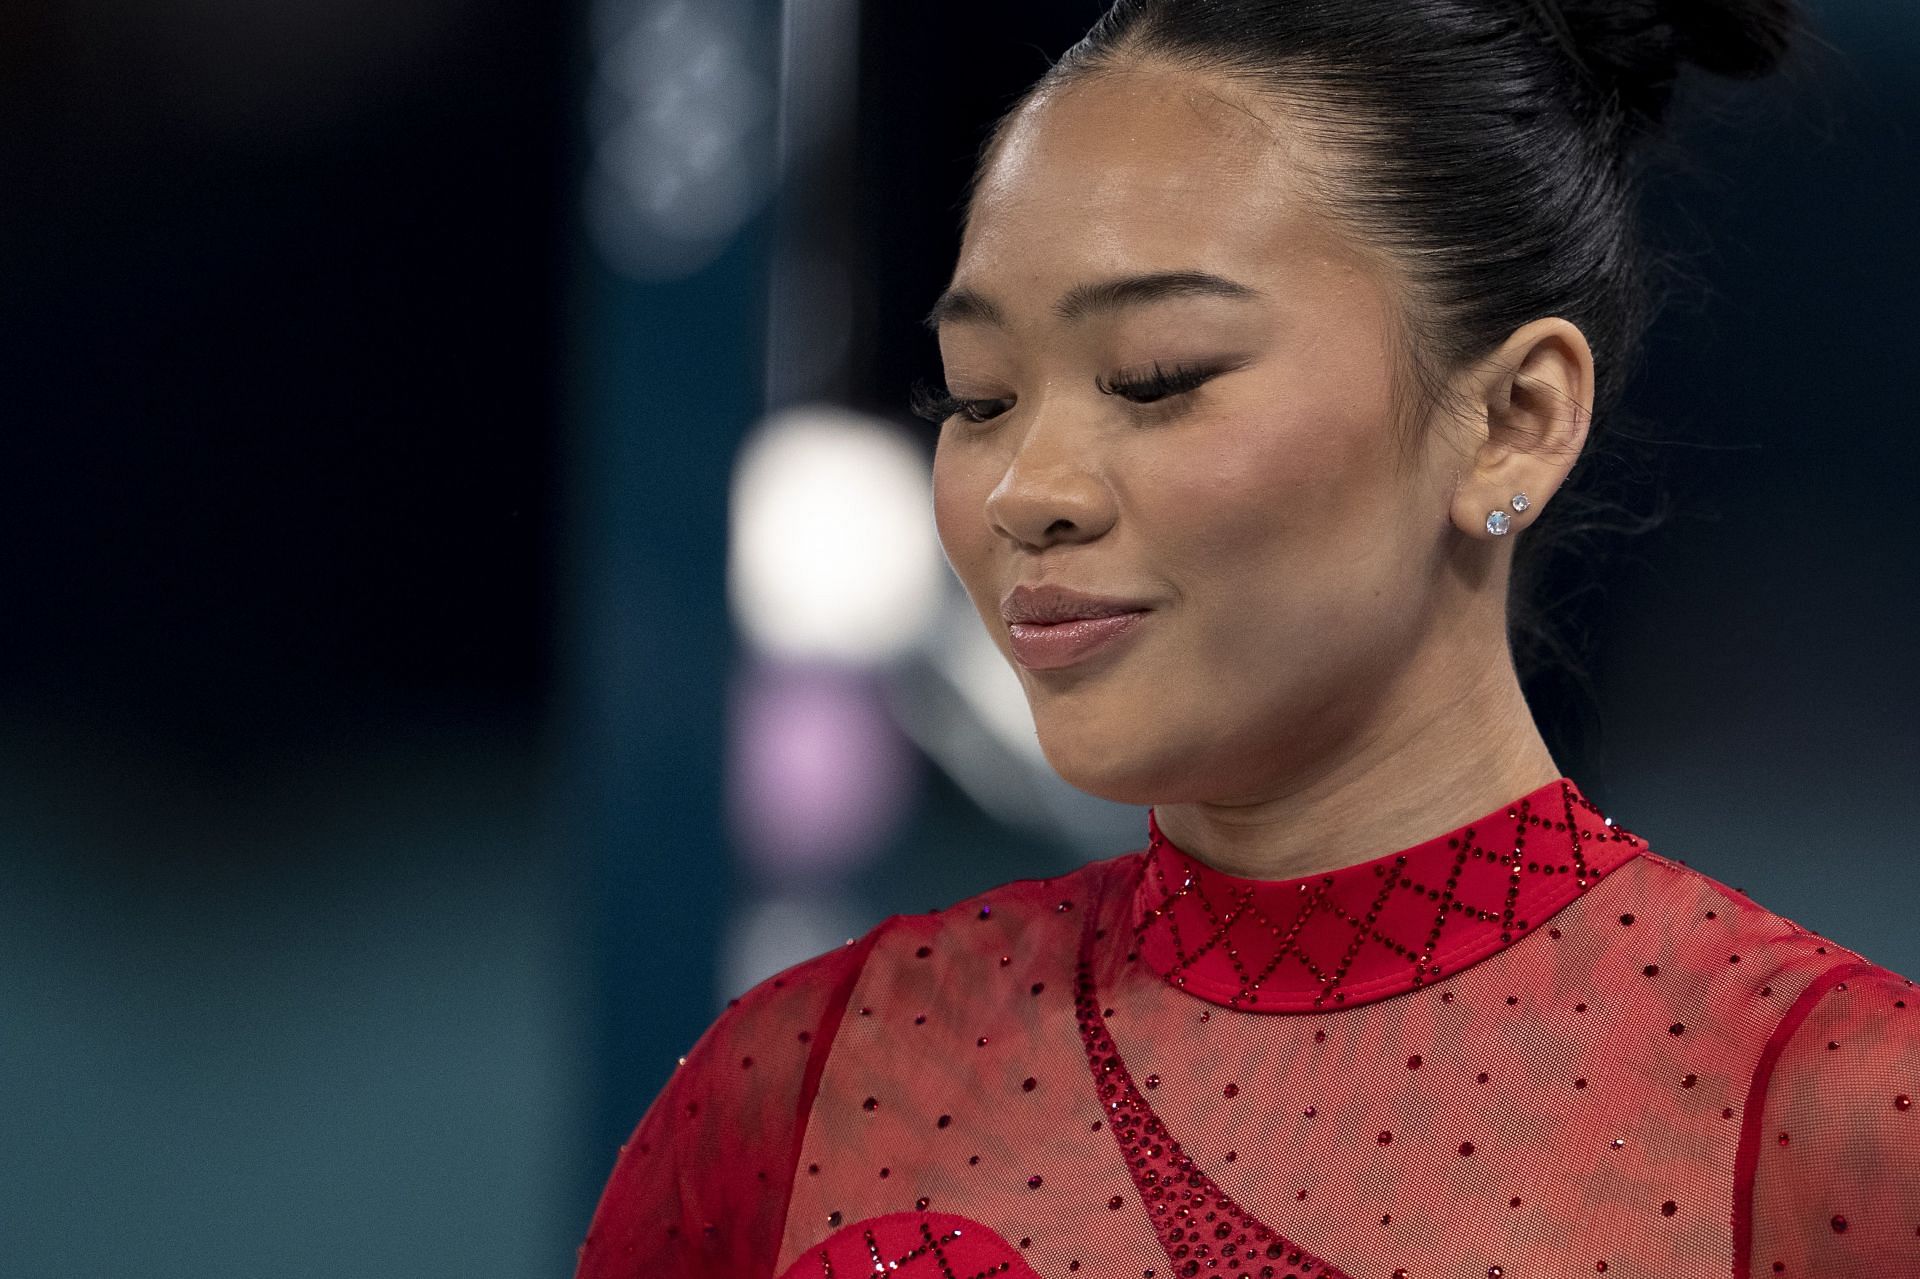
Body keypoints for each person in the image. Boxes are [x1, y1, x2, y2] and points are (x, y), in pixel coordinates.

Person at [575, 1, 1919, 1276]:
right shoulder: (796, 1090)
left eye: (1158, 378)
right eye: (978, 395)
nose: (1024, 487)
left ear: (1513, 419)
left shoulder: (1831, 1126)